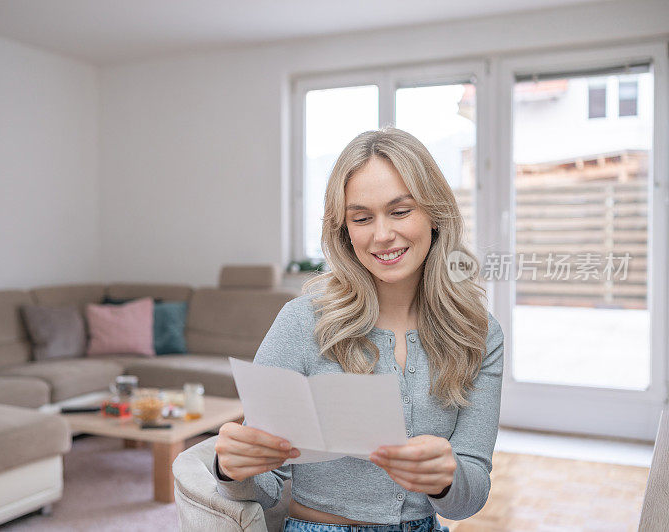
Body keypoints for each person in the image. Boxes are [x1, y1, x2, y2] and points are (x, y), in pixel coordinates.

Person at [213, 127, 504, 532]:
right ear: (345, 231)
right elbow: (265, 486)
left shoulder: (478, 334)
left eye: (400, 211)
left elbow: (469, 497)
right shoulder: (302, 322)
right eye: (362, 218)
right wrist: (231, 469)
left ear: (435, 215)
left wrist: (448, 477)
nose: (382, 235)